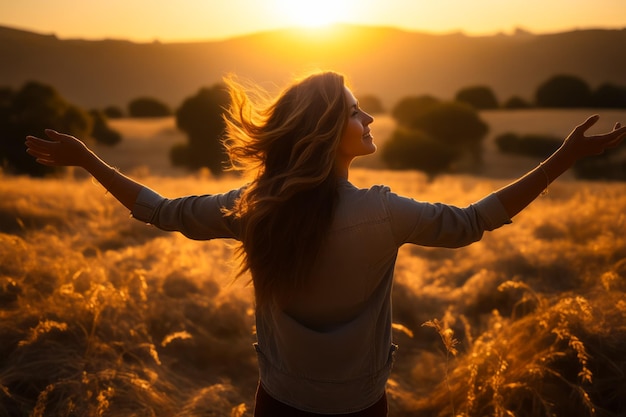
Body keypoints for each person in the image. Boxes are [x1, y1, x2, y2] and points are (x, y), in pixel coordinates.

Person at [25, 71, 625, 416]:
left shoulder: (255, 207)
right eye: (358, 114)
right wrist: (563, 159)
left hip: (279, 402)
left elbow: (158, 211)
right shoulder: (383, 211)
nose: (370, 122)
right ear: (328, 132)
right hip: (362, 407)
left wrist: (88, 161)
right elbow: (473, 222)